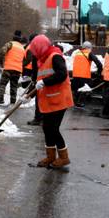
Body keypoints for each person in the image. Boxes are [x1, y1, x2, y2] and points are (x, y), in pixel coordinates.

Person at [26, 34, 74, 168]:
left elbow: (62, 74)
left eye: (35, 49)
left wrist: (44, 82)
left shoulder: (55, 56)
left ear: (40, 47)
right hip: (50, 99)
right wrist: (28, 96)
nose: (34, 52)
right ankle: (50, 156)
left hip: (60, 98)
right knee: (47, 128)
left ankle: (64, 158)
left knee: (53, 129)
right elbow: (38, 81)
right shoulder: (42, 59)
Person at [0, 30, 25, 105]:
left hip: (8, 68)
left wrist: (0, 60)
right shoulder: (22, 48)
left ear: (13, 36)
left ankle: (0, 100)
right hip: (17, 70)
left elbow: (3, 51)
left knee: (2, 84)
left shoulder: (10, 44)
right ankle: (12, 102)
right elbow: (24, 59)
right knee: (14, 86)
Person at [71, 41, 103, 107]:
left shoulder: (77, 53)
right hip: (84, 74)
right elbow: (98, 63)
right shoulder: (88, 53)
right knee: (85, 88)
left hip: (75, 74)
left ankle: (75, 101)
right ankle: (79, 102)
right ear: (89, 48)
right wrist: (99, 72)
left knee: (77, 88)